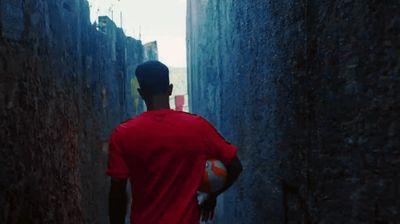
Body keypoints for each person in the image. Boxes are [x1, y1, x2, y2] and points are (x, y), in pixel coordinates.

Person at [107, 60, 243, 224]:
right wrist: (211, 195)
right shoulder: (198, 127)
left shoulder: (123, 134)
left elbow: (117, 194)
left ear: (141, 92)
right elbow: (235, 166)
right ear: (170, 89)